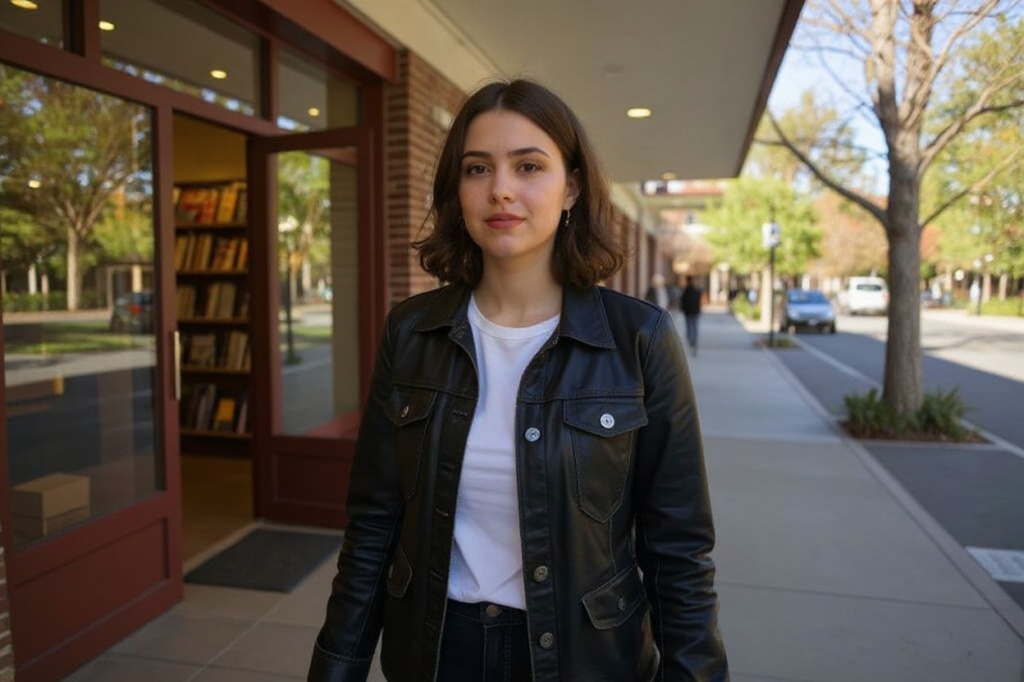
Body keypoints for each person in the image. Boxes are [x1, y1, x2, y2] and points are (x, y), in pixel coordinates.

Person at [308, 79, 727, 682]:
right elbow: (374, 525)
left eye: (528, 165)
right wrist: (335, 667)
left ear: (572, 187)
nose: (501, 189)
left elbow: (678, 552)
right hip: (435, 653)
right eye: (478, 168)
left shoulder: (639, 340)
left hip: (584, 660)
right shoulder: (412, 333)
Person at [680, 276, 703, 354]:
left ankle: (691, 340)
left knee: (689, 326)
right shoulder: (696, 290)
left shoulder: (686, 291)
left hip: (689, 311)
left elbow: (683, 301)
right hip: (694, 311)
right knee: (694, 326)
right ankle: (694, 341)